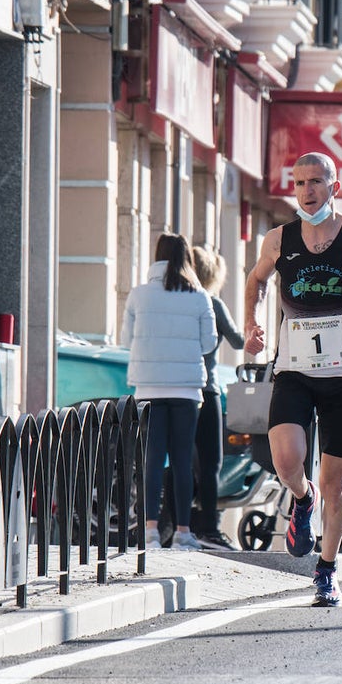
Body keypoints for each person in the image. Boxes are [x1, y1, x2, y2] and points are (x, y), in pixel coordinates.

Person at [243, 151, 342, 607]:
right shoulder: (279, 239)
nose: (307, 191)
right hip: (292, 369)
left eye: (316, 181)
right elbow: (256, 280)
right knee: (286, 460)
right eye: (299, 182)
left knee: (336, 483)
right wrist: (252, 323)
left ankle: (326, 570)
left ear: (335, 187)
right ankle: (301, 498)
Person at [121, 234, 217, 551]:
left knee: (151, 459)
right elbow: (209, 344)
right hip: (186, 388)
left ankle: (149, 531)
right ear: (187, 259)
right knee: (181, 460)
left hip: (148, 386)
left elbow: (126, 341)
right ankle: (182, 532)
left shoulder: (138, 295)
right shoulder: (200, 297)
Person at [191, 246, 244, 551]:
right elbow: (237, 341)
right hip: (207, 388)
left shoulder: (178, 301)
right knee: (211, 461)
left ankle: (180, 525)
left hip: (176, 389)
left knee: (181, 460)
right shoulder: (212, 303)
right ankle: (208, 527)